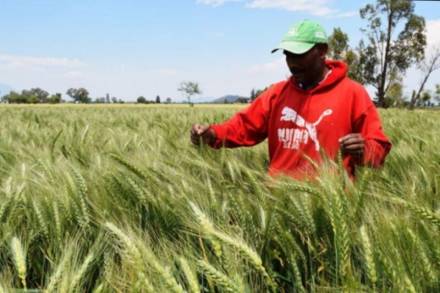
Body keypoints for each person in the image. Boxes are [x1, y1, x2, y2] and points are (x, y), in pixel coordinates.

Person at [190, 19, 391, 179]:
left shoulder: (353, 93)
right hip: (278, 206)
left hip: (331, 210)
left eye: (299, 54)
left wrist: (365, 150)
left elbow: (379, 148)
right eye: (287, 54)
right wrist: (213, 134)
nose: (291, 62)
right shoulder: (277, 93)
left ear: (322, 51)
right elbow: (244, 127)